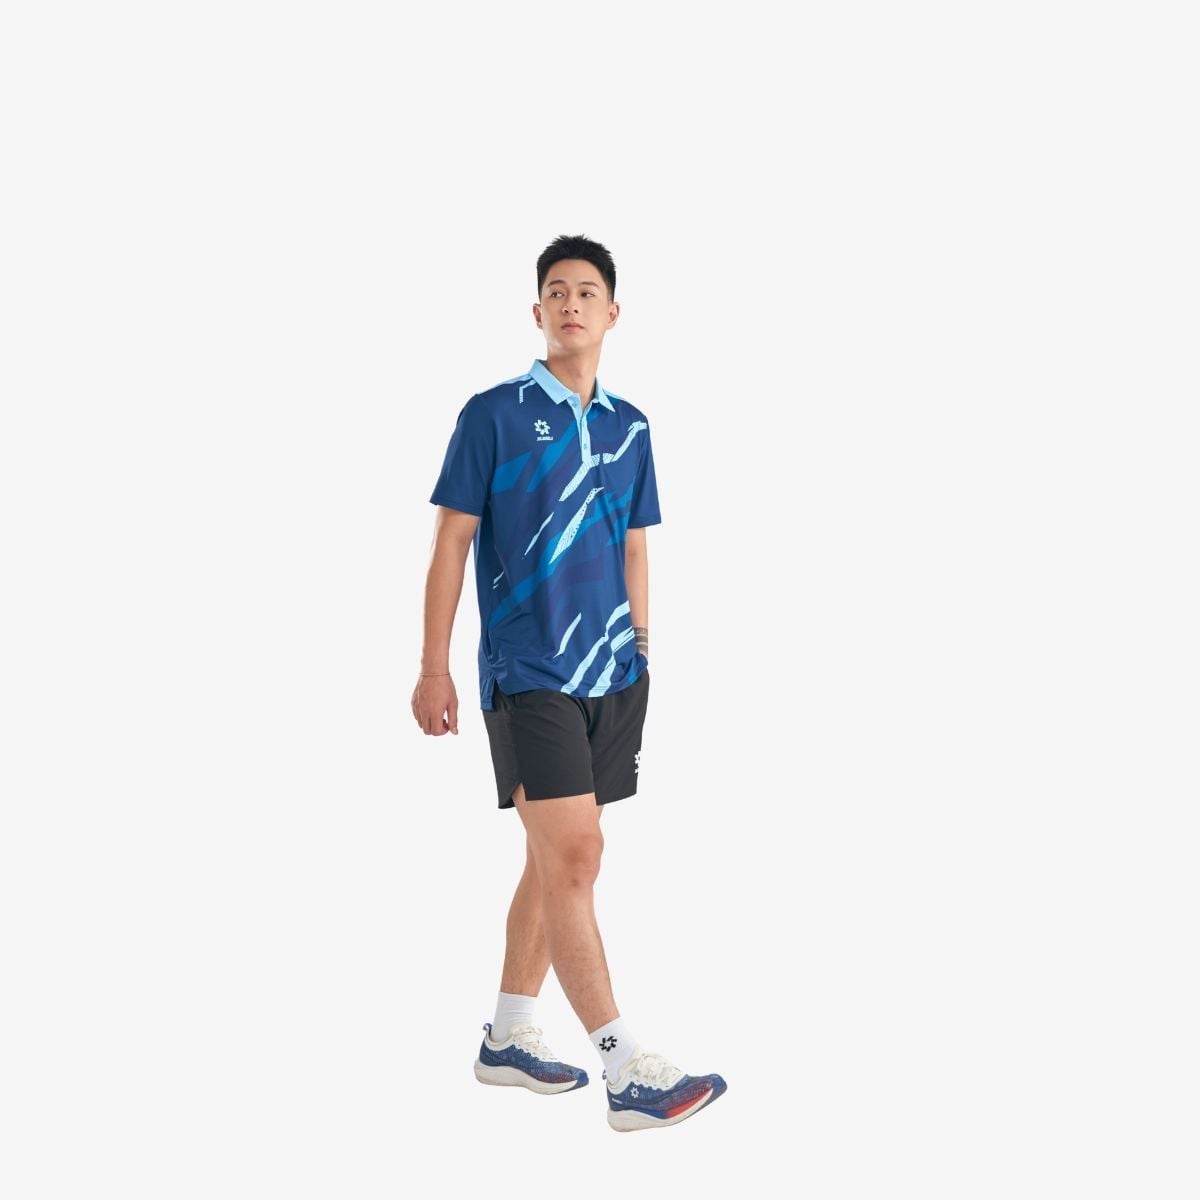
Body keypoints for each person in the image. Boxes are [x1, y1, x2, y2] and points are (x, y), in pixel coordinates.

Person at [412, 234, 726, 1133]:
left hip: (613, 672)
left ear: (613, 313)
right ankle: (626, 1069)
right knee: (578, 857)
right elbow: (451, 542)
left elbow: (635, 545)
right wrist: (434, 664)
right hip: (528, 669)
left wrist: (642, 652)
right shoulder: (494, 415)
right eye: (557, 291)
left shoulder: (632, 426)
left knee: (557, 858)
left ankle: (509, 1034)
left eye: (588, 291)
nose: (572, 303)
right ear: (537, 311)